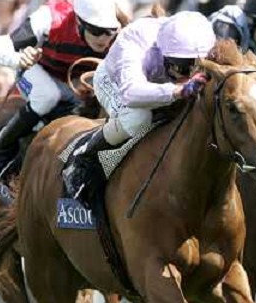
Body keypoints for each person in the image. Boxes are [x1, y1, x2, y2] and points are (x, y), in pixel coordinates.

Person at [62, 11, 216, 201]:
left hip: (159, 86)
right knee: (138, 118)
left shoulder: (200, 39)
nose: (188, 75)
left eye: (195, 67)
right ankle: (84, 156)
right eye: (182, 67)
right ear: (163, 51)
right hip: (114, 83)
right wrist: (177, 91)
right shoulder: (136, 40)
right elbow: (130, 94)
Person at [0, 0, 124, 179]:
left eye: (110, 31)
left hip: (77, 87)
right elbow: (1, 46)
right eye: (96, 31)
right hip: (40, 74)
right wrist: (18, 58)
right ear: (79, 21)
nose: (104, 39)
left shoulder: (122, 32)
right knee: (48, 95)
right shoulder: (51, 18)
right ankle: (1, 148)